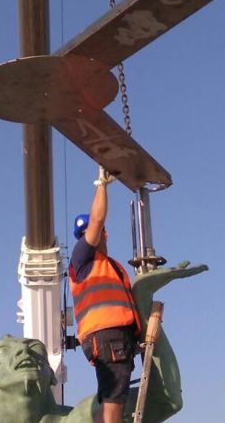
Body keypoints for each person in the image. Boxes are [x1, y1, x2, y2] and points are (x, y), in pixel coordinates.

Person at [0, 261, 206, 423]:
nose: (24, 353)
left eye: (36, 351)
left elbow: (166, 400)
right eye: (3, 351)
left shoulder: (87, 416)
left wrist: (143, 307)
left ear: (52, 374)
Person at [68, 167, 142, 423]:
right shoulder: (82, 258)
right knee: (114, 403)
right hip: (108, 336)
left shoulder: (112, 266)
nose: (86, 237)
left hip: (114, 337)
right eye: (84, 234)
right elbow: (97, 221)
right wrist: (102, 184)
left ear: (106, 235)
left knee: (110, 399)